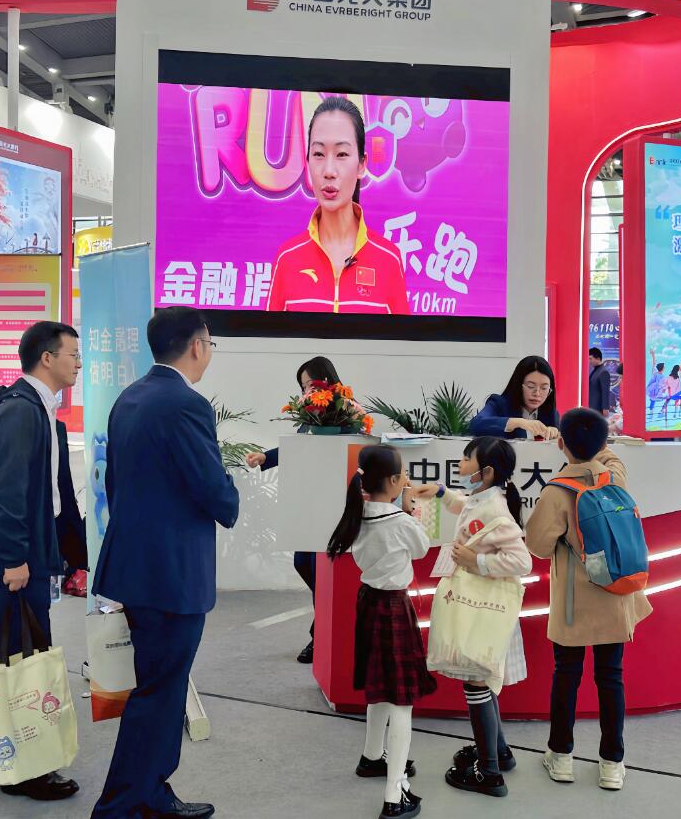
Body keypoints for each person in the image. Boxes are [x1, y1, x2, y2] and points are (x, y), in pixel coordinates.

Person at [92, 307, 240, 819]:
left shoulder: (130, 397)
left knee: (159, 685)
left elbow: (117, 484)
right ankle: (122, 804)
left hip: (136, 565)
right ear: (197, 345)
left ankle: (151, 792)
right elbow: (211, 486)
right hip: (171, 573)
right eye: (210, 343)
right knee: (160, 690)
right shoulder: (186, 404)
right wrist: (231, 495)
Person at [0, 321, 82, 802]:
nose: (79, 363)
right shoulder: (20, 410)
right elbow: (4, 490)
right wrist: (14, 558)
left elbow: (49, 494)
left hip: (26, 557)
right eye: (72, 354)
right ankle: (22, 770)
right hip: (8, 563)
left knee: (7, 659)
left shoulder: (39, 408)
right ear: (47, 358)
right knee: (13, 662)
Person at [525, 408, 652, 792]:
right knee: (611, 677)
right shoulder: (614, 477)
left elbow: (537, 545)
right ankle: (612, 763)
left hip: (574, 603)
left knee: (566, 676)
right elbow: (611, 457)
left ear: (561, 443)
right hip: (614, 595)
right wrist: (600, 445)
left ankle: (561, 756)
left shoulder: (557, 491)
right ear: (601, 444)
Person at [419, 438, 531, 798]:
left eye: (467, 459)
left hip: (481, 609)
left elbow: (522, 561)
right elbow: (467, 509)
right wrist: (441, 493)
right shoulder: (485, 498)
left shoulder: (495, 510)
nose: (461, 463)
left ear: (487, 471)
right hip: (480, 606)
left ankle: (489, 773)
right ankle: (499, 752)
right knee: (481, 678)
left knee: (477, 682)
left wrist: (477, 561)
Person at [327, 445, 433, 819]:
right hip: (394, 607)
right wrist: (410, 508)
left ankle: (372, 756)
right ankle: (394, 794)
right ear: (392, 480)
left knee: (380, 687)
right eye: (402, 474)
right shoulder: (400, 521)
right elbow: (421, 549)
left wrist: (399, 503)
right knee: (402, 701)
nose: (406, 479)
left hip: (369, 601)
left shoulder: (356, 515)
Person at [266, 97, 410, 314]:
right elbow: (269, 336)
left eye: (342, 154)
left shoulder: (388, 259)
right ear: (307, 161)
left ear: (361, 164)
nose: (329, 171)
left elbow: (401, 337)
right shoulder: (287, 259)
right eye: (318, 154)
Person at [244, 355, 343, 664]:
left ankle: (321, 635)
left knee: (319, 572)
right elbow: (298, 450)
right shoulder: (309, 416)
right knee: (304, 564)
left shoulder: (344, 414)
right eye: (302, 386)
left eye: (310, 384)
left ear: (327, 381)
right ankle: (327, 624)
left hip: (332, 508)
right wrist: (266, 457)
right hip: (307, 506)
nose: (306, 391)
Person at [470, 355, 559, 439]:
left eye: (544, 388)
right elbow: (476, 424)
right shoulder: (499, 404)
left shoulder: (551, 413)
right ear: (518, 385)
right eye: (531, 386)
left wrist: (555, 433)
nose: (537, 393)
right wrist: (519, 422)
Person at [587, 347, 611, 413]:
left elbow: (605, 391)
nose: (589, 361)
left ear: (598, 359)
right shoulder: (595, 370)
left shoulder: (603, 372)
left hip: (598, 409)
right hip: (592, 407)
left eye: (590, 359)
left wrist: (605, 408)